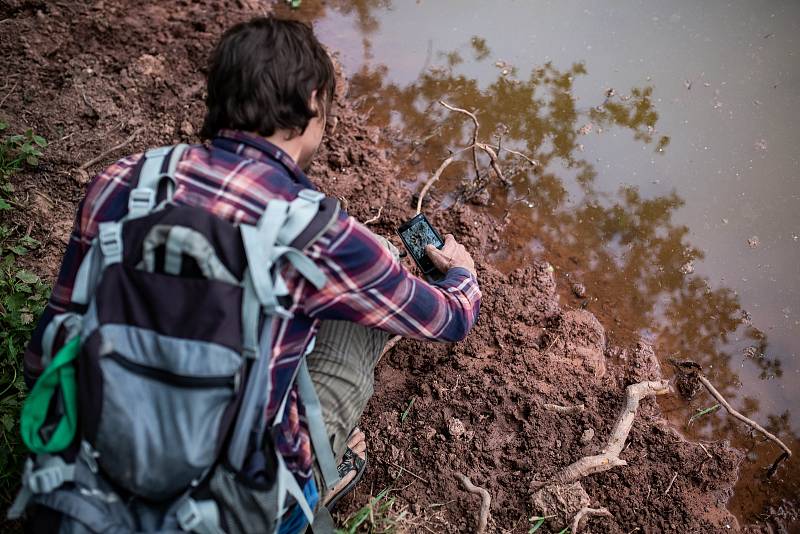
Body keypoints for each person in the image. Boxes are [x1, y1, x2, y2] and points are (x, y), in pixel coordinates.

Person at [23, 16, 481, 532]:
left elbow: (49, 344)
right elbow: (448, 319)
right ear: (313, 100)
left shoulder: (124, 181)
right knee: (365, 313)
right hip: (217, 514)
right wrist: (462, 275)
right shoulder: (321, 235)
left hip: (78, 489)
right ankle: (319, 479)